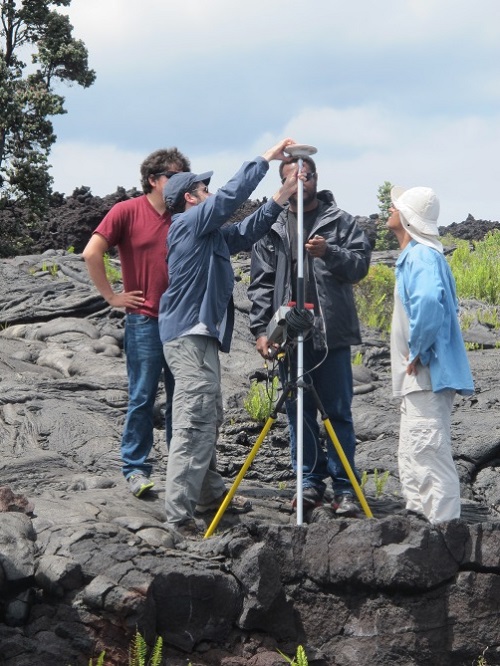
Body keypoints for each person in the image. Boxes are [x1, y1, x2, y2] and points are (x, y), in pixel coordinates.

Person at [158, 138, 301, 537]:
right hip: (188, 338)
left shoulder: (210, 235)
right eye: (203, 189)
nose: (210, 193)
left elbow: (245, 230)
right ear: (190, 198)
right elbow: (229, 200)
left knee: (207, 416)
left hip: (197, 339)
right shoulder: (189, 222)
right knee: (194, 421)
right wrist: (265, 159)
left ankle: (209, 496)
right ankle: (179, 515)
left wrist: (280, 196)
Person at [248, 155, 372, 517]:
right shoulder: (271, 229)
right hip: (289, 336)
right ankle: (308, 483)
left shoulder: (340, 221)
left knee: (338, 413)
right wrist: (260, 330)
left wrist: (329, 252)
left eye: (308, 176)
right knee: (297, 411)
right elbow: (260, 284)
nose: (302, 182)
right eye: (294, 177)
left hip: (330, 336)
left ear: (317, 179)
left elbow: (359, 266)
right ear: (283, 184)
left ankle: (346, 487)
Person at [82, 147, 190, 498]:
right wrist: (112, 297)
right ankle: (135, 468)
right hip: (144, 320)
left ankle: (179, 468)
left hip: (183, 322)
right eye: (173, 177)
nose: (179, 183)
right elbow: (91, 252)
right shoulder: (126, 211)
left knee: (181, 398)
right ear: (153, 180)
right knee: (143, 396)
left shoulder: (185, 214)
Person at [387, 186, 474, 523]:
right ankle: (421, 529)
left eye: (397, 206)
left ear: (408, 218)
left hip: (426, 373)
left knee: (428, 454)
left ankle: (444, 535)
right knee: (412, 454)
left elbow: (427, 302)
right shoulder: (420, 255)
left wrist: (418, 351)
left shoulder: (421, 255)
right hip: (420, 379)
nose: (390, 208)